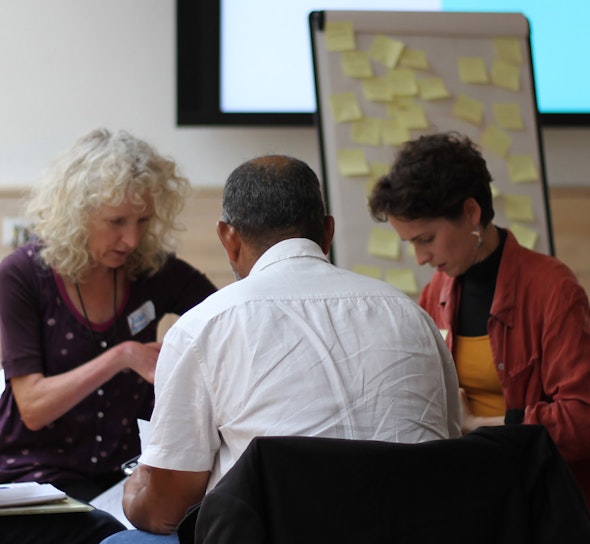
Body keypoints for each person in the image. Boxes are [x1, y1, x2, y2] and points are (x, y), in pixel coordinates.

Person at [101, 153, 461, 543]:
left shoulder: (204, 326)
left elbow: (167, 510)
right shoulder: (412, 316)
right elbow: (447, 455)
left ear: (228, 237)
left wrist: (135, 494)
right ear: (327, 232)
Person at [0, 128, 217, 542]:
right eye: (116, 222)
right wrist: (122, 356)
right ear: (77, 214)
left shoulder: (153, 269)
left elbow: (230, 319)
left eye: (143, 221)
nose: (132, 239)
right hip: (37, 480)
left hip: (125, 481)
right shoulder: (23, 275)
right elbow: (32, 406)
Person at [368, 131, 590, 506]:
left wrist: (481, 426)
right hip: (470, 489)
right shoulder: (435, 293)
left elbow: (581, 420)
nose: (420, 258)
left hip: (539, 496)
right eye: (411, 244)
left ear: (471, 213)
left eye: (426, 238)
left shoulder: (554, 289)